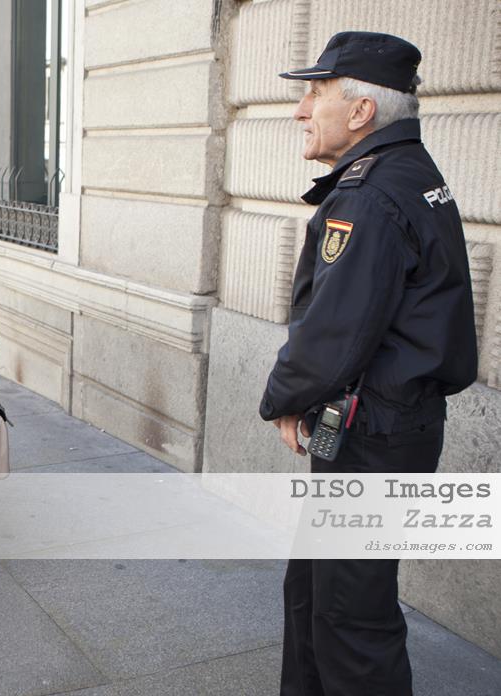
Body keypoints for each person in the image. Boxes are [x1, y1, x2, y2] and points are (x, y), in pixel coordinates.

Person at [260, 32, 477, 696]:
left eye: (316, 94)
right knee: (312, 593)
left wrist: (283, 397)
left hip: (374, 431)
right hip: (381, 423)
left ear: (361, 111)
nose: (301, 110)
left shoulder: (371, 193)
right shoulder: (408, 173)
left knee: (351, 620)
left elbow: (335, 328)